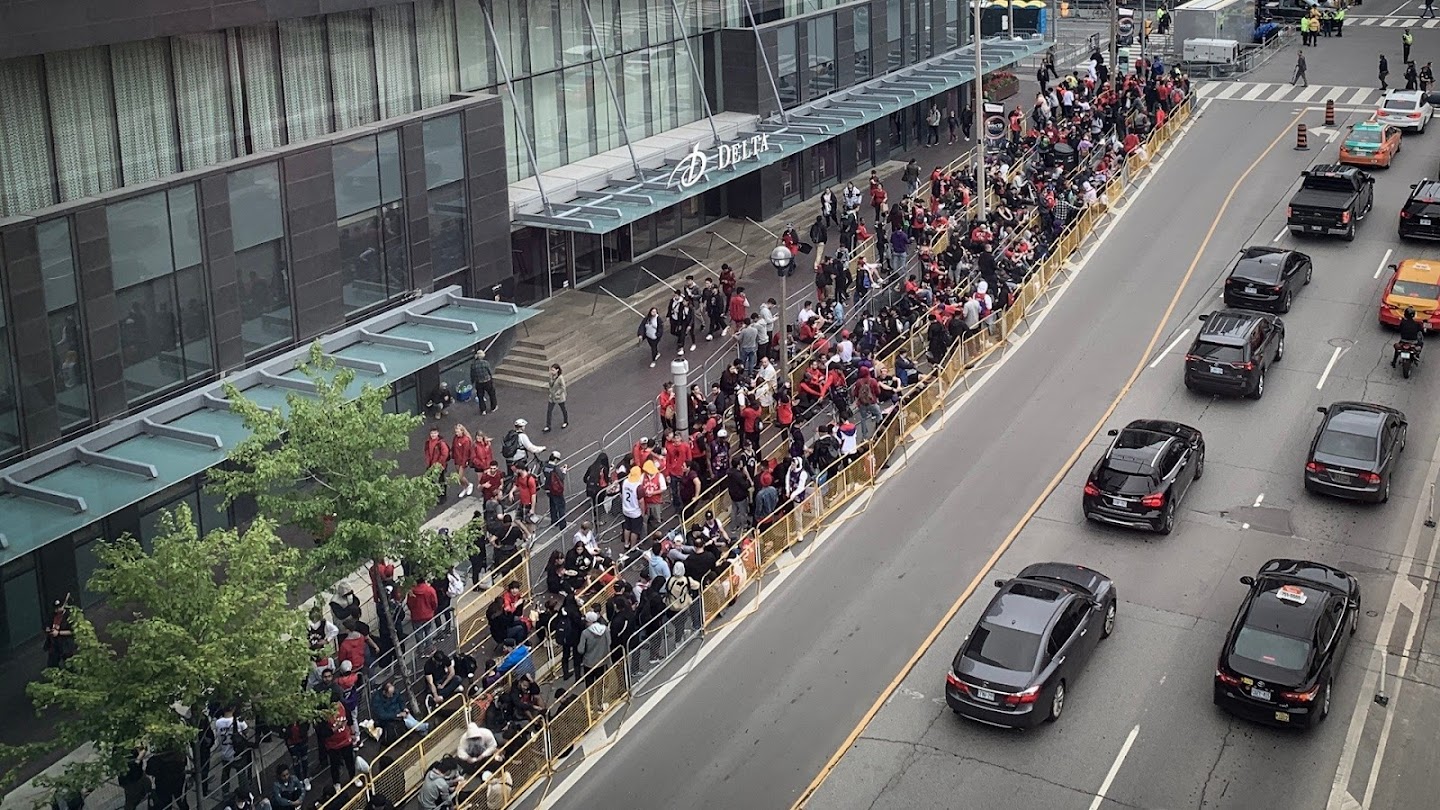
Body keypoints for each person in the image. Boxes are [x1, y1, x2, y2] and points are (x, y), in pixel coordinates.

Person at [576, 610, 611, 685]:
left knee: (589, 685)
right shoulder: (605, 629)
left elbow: (580, 650)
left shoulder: (585, 633)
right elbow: (609, 642)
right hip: (602, 660)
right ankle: (600, 696)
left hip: (589, 662)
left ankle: (591, 697)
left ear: (589, 621)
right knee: (600, 683)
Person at [43, 598, 76, 668]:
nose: (57, 610)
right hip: (54, 644)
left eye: (59, 607)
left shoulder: (69, 616)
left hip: (65, 644)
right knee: (52, 664)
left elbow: (72, 631)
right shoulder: (53, 615)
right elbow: (47, 624)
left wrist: (58, 633)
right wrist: (48, 628)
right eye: (56, 608)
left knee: (69, 665)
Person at [424, 427, 451, 503]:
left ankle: (443, 496)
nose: (433, 435)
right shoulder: (428, 442)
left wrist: (438, 464)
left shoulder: (441, 443)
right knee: (431, 480)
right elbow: (427, 452)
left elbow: (444, 454)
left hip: (440, 466)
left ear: (438, 433)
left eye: (435, 433)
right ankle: (434, 495)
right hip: (431, 465)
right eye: (432, 433)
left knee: (441, 481)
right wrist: (428, 461)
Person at [543, 451, 568, 528]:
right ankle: (562, 524)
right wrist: (564, 471)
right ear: (556, 459)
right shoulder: (555, 468)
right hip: (556, 490)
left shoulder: (545, 466)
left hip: (548, 489)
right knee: (561, 507)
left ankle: (554, 521)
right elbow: (561, 478)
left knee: (552, 505)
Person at [469, 350, 497, 414]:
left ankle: (483, 410)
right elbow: (489, 372)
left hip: (479, 382)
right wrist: (491, 378)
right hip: (487, 381)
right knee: (491, 394)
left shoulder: (473, 365)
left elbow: (472, 374)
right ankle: (493, 407)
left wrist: (472, 381)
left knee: (480, 396)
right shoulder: (485, 363)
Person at [544, 364, 569, 431]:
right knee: (549, 411)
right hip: (552, 397)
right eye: (551, 370)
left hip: (559, 397)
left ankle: (565, 421)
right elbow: (550, 385)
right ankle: (548, 425)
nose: (551, 371)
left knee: (563, 409)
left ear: (557, 370)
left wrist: (558, 393)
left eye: (553, 370)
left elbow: (563, 387)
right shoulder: (551, 377)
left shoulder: (560, 378)